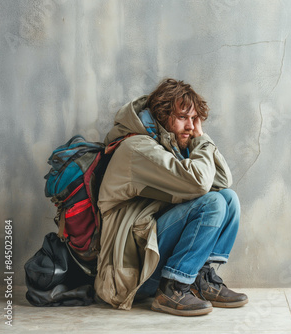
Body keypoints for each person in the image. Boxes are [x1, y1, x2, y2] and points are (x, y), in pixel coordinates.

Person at [94, 78, 248, 316]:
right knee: (213, 204)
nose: (191, 126)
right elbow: (199, 183)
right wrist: (201, 144)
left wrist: (200, 140)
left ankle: (198, 277)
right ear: (163, 116)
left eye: (194, 119)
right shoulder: (138, 149)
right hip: (130, 273)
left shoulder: (170, 145)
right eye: (183, 117)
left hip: (151, 256)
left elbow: (221, 182)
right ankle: (172, 288)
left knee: (228, 198)